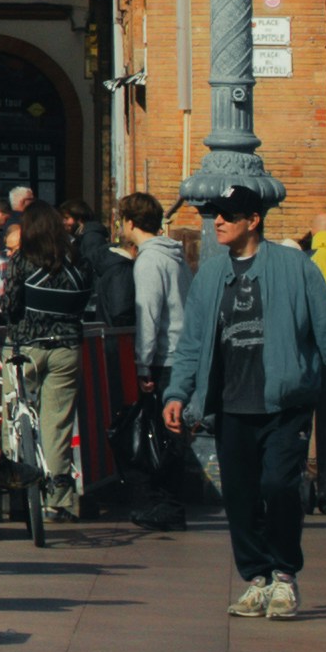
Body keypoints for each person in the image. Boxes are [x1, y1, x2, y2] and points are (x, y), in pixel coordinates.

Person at [161, 198, 326, 619]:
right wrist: (177, 393)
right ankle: (257, 578)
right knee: (239, 495)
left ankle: (285, 577)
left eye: (228, 215)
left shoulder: (296, 268)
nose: (217, 221)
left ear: (253, 221)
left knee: (279, 486)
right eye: (215, 214)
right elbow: (193, 341)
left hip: (285, 402)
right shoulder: (212, 275)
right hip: (231, 404)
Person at [0, 208, 91, 539]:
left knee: (14, 414)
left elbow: (8, 305)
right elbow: (84, 304)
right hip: (66, 349)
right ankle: (60, 501)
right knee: (58, 424)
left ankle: (15, 495)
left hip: (25, 346)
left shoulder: (21, 261)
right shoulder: (79, 263)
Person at [118, 195, 199, 533]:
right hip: (181, 352)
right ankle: (169, 505)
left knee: (163, 436)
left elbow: (148, 314)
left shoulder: (149, 260)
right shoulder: (174, 256)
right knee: (171, 433)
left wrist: (142, 364)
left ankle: (166, 506)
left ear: (130, 222)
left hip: (165, 357)